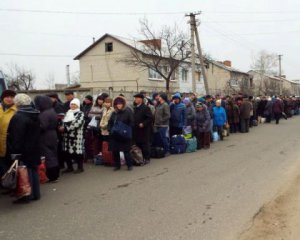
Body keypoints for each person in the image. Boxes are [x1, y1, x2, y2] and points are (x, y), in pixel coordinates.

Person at [7, 94, 41, 203]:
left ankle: (27, 195)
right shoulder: (35, 113)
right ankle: (36, 194)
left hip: (24, 148)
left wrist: (15, 151)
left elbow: (17, 136)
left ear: (17, 103)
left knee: (24, 172)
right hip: (34, 147)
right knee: (33, 170)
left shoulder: (19, 116)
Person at [34, 96, 59, 182]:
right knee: (53, 154)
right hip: (53, 134)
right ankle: (55, 175)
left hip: (46, 135)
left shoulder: (44, 113)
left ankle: (52, 176)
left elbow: (42, 126)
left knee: (48, 156)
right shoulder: (51, 110)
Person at [108, 96, 134, 171]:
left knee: (126, 151)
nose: (119, 105)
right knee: (115, 151)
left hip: (124, 134)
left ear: (123, 104)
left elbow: (132, 122)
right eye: (117, 104)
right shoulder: (114, 113)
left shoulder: (128, 111)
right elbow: (110, 122)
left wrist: (126, 130)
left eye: (120, 104)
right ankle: (117, 165)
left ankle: (129, 165)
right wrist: (110, 129)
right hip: (115, 134)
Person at [60, 98, 85, 174]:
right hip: (67, 137)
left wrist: (65, 128)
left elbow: (77, 124)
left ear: (78, 105)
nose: (73, 106)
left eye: (74, 104)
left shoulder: (80, 113)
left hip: (76, 136)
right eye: (72, 104)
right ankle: (69, 167)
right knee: (67, 153)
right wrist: (61, 127)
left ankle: (80, 168)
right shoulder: (68, 113)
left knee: (77, 153)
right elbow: (63, 122)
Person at [133, 93, 153, 164]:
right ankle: (140, 158)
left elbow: (150, 118)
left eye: (137, 98)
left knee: (145, 144)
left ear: (141, 99)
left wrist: (143, 124)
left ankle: (147, 158)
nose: (135, 99)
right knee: (138, 144)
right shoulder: (135, 108)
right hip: (136, 129)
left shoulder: (145, 108)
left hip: (144, 130)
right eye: (135, 98)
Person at [0, 90, 17, 177]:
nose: (9, 99)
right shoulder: (0, 109)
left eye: (12, 97)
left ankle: (11, 183)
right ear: (3, 98)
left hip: (11, 142)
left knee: (11, 163)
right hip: (1, 142)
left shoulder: (16, 110)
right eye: (7, 97)